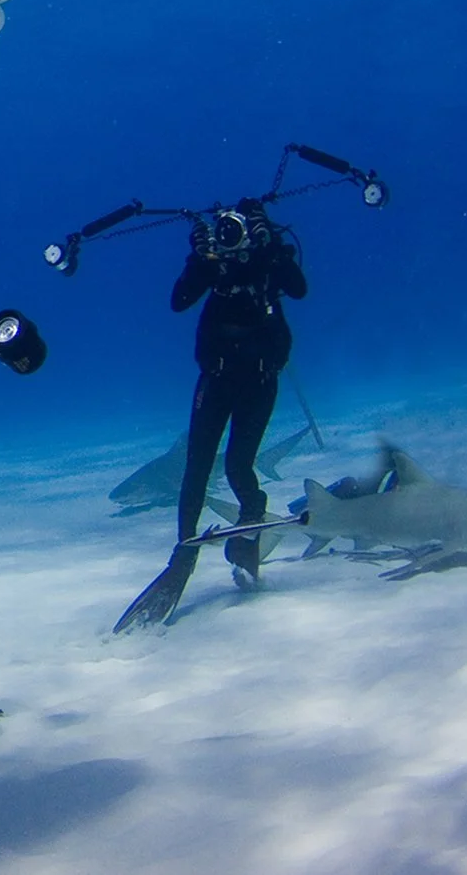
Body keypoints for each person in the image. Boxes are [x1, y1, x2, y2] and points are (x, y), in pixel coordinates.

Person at [115, 199, 308, 632]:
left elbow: (298, 289)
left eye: (238, 230)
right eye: (225, 232)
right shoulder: (212, 263)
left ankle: (250, 518)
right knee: (196, 466)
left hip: (259, 380)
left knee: (239, 464)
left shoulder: (267, 257)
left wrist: (272, 245)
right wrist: (199, 259)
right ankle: (183, 551)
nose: (232, 239)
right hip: (216, 380)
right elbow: (179, 301)